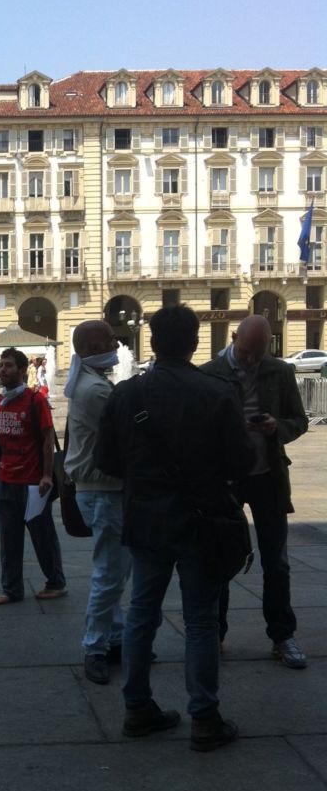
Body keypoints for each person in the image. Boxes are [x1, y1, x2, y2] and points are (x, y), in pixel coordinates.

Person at [96, 306, 256, 751]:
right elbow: (243, 461)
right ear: (193, 343)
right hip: (201, 521)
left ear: (152, 342)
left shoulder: (126, 395)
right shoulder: (217, 392)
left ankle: (137, 708)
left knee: (141, 613)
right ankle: (204, 717)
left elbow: (106, 462)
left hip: (147, 519)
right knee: (201, 619)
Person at [202, 315, 309, 668]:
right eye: (247, 352)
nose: (251, 360)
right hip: (228, 480)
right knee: (221, 559)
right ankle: (214, 635)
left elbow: (299, 419)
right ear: (234, 339)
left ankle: (282, 636)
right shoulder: (210, 372)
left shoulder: (279, 371)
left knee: (276, 561)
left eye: (258, 354)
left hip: (269, 477)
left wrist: (277, 427)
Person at [0, 347, 66, 606]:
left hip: (33, 483)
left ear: (23, 371)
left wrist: (46, 475)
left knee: (42, 535)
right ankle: (12, 589)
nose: (2, 370)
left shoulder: (35, 401)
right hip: (5, 481)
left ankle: (56, 582)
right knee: (8, 539)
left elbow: (47, 439)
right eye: (1, 366)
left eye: (9, 366)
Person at [64, 321, 131, 685]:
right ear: (91, 348)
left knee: (117, 571)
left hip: (98, 489)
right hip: (103, 491)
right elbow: (128, 433)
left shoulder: (90, 382)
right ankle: (94, 648)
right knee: (109, 573)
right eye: (110, 339)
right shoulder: (94, 390)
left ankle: (115, 639)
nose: (116, 343)